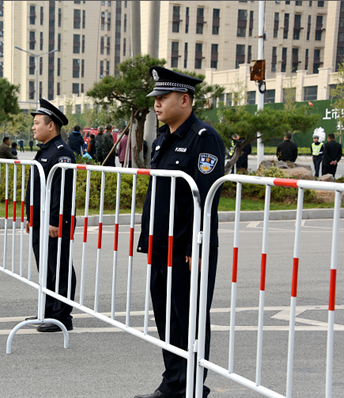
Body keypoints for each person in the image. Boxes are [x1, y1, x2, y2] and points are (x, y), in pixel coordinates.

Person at [136, 66, 225, 398]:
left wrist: (195, 246)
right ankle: (172, 382)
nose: (157, 104)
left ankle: (191, 386)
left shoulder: (204, 138)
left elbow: (205, 198)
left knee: (190, 320)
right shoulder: (163, 139)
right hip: (162, 245)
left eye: (163, 97)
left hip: (187, 249)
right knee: (166, 318)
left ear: (184, 100)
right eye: (156, 98)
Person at [25, 98, 77, 333]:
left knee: (60, 267)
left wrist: (55, 221)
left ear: (51, 126)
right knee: (46, 267)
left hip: (55, 223)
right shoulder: (45, 151)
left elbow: (62, 191)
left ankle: (62, 316)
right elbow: (36, 188)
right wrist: (30, 215)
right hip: (40, 221)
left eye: (37, 123)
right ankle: (47, 310)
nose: (33, 127)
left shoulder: (61, 153)